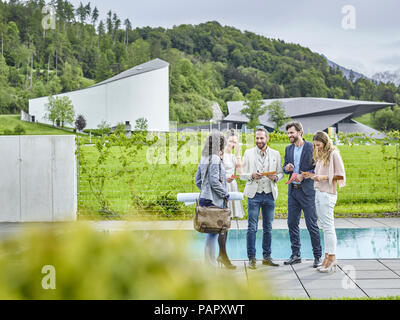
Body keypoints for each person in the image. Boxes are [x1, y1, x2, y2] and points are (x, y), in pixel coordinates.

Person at [240, 128, 283, 269]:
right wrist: (251, 175)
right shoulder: (248, 153)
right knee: (252, 227)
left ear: (267, 138)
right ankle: (252, 258)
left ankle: (267, 257)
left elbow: (281, 173)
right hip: (254, 194)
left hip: (269, 194)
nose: (259, 141)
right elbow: (241, 174)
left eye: (261, 138)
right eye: (257, 138)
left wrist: (276, 177)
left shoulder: (276, 154)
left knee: (268, 228)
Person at [304, 131, 346, 273]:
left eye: (319, 145)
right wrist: (312, 176)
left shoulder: (334, 154)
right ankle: (327, 257)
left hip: (328, 194)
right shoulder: (322, 156)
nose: (317, 148)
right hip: (319, 192)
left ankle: (332, 258)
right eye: (315, 146)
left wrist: (321, 178)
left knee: (328, 227)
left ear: (325, 142)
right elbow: (321, 174)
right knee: (324, 227)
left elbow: (341, 175)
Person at [283, 121, 322, 268]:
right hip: (293, 191)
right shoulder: (288, 149)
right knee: (292, 223)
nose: (289, 136)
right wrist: (286, 168)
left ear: (300, 132)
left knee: (311, 224)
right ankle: (296, 254)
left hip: (307, 192)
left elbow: (318, 169)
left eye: (291, 133)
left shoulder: (311, 147)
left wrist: (304, 175)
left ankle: (317, 256)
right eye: (288, 133)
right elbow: (285, 167)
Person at [195, 131, 236, 269]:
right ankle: (210, 265)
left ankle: (209, 263)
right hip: (214, 202)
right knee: (212, 234)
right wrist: (225, 194)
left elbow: (197, 181)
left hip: (205, 199)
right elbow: (214, 180)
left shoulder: (204, 157)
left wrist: (205, 190)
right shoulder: (216, 158)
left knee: (210, 233)